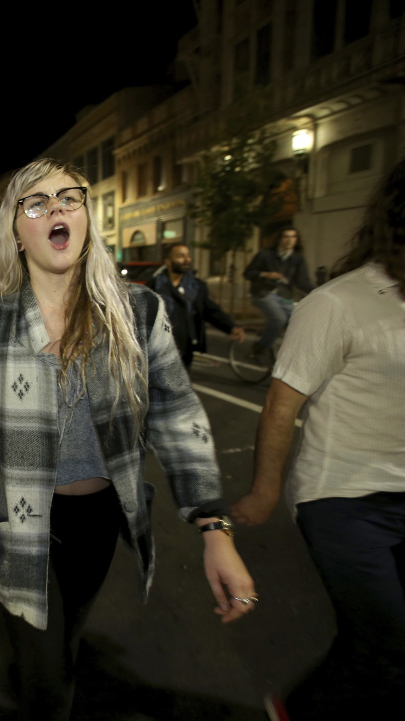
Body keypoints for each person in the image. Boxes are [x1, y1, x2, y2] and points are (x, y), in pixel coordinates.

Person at [0, 159, 257, 720]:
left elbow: (177, 415)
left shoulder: (137, 313)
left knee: (66, 635)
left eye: (69, 197)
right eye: (36, 203)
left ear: (86, 216)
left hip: (96, 520)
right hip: (14, 522)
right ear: (15, 233)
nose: (57, 209)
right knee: (45, 678)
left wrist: (215, 528)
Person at [232, 162, 405, 720]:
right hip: (344, 498)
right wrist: (264, 491)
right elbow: (283, 404)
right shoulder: (339, 303)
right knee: (385, 644)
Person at [147, 242, 245, 369]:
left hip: (186, 349)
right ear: (168, 261)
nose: (187, 259)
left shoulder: (196, 286)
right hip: (160, 349)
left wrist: (231, 327)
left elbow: (210, 310)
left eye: (188, 256)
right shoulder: (154, 287)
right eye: (180, 256)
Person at [242, 227, 313, 360]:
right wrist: (266, 274)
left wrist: (318, 292)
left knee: (299, 319)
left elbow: (302, 281)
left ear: (296, 240)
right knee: (279, 318)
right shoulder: (265, 254)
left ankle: (287, 352)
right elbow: (248, 273)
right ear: (279, 239)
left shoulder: (297, 259)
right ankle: (260, 348)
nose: (289, 240)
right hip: (263, 293)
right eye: (286, 236)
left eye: (293, 237)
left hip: (284, 296)